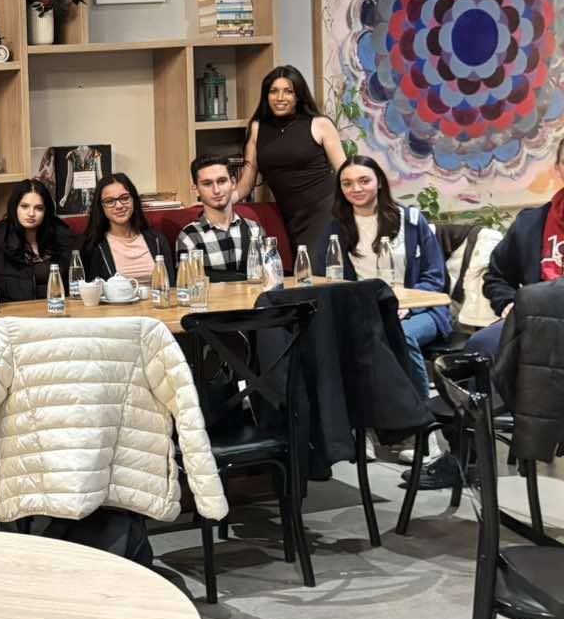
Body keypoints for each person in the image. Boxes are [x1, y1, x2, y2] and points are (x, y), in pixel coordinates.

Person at [317, 156, 450, 395]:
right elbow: (325, 278)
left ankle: (421, 409)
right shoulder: (336, 228)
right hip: (367, 309)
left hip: (420, 310)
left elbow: (435, 276)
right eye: (347, 183)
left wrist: (408, 306)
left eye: (364, 181)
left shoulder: (410, 221)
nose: (356, 188)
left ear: (379, 182)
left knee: (400, 336)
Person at [235, 65, 347, 258]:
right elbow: (246, 183)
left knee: (314, 267)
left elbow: (346, 173)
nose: (280, 98)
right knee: (301, 269)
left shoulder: (320, 124)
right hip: (290, 216)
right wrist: (223, 199)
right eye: (274, 91)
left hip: (326, 208)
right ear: (266, 95)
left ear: (298, 96)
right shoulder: (257, 128)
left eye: (288, 91)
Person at [475, 135, 564, 360]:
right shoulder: (530, 224)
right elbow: (496, 277)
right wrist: (507, 302)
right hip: (538, 318)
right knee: (481, 346)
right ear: (558, 169)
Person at [0, 178, 76, 302]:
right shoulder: (0, 239)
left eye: (39, 208)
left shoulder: (61, 237)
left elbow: (77, 281)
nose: (31, 213)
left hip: (58, 308)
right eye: (24, 206)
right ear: (15, 207)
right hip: (13, 311)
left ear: (46, 211)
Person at [176, 155, 267, 282]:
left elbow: (268, 278)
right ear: (196, 190)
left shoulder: (254, 229)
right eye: (207, 184)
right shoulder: (189, 236)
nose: (216, 190)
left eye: (222, 181)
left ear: (233, 183)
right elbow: (188, 286)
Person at [81, 171, 175, 284]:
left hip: (156, 296)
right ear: (101, 207)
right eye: (109, 201)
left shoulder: (158, 240)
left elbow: (172, 286)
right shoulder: (94, 247)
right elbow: (91, 290)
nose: (119, 206)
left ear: (134, 200)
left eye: (124, 198)